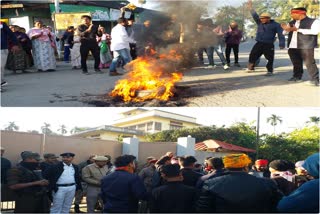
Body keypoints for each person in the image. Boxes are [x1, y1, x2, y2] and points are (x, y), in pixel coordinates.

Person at [196, 153, 283, 212]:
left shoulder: (210, 183)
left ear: (226, 167)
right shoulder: (267, 183)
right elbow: (278, 205)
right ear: (246, 167)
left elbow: (202, 209)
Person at [281, 7, 319, 86]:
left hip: (306, 46)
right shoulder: (291, 22)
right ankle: (297, 77)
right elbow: (284, 33)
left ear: (301, 14)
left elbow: (315, 31)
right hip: (292, 46)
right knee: (296, 63)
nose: (291, 15)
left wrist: (297, 29)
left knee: (309, 63)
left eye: (293, 13)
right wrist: (286, 29)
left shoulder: (314, 21)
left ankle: (315, 80)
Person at [246, 0, 285, 76]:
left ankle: (269, 71)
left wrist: (282, 44)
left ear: (268, 18)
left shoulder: (276, 25)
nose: (262, 19)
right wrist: (250, 8)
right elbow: (254, 15)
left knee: (269, 58)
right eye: (261, 18)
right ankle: (251, 67)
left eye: (264, 18)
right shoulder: (259, 22)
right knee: (253, 54)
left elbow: (281, 34)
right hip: (259, 43)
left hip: (269, 44)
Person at [1, 21, 19, 90]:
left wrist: (15, 44)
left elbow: (11, 34)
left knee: (1, 66)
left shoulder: (2, 24)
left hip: (2, 48)